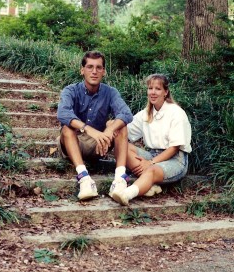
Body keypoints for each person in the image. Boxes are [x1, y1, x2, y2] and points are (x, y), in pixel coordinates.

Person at [57, 50, 133, 201]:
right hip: (74, 143)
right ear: (82, 70)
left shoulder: (110, 92)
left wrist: (109, 129)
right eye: (90, 67)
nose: (94, 71)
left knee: (120, 125)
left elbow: (126, 113)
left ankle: (119, 180)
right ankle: (84, 179)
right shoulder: (71, 90)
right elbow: (63, 113)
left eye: (99, 67)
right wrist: (89, 129)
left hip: (99, 145)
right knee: (67, 127)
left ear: (104, 71)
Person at [111, 73, 192, 206]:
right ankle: (149, 184)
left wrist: (150, 162)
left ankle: (126, 194)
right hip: (152, 155)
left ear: (165, 92)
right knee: (122, 147)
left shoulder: (176, 113)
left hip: (175, 159)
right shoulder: (145, 113)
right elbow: (125, 130)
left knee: (151, 170)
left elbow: (174, 148)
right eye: (150, 88)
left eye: (158, 89)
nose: (153, 92)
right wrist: (112, 125)